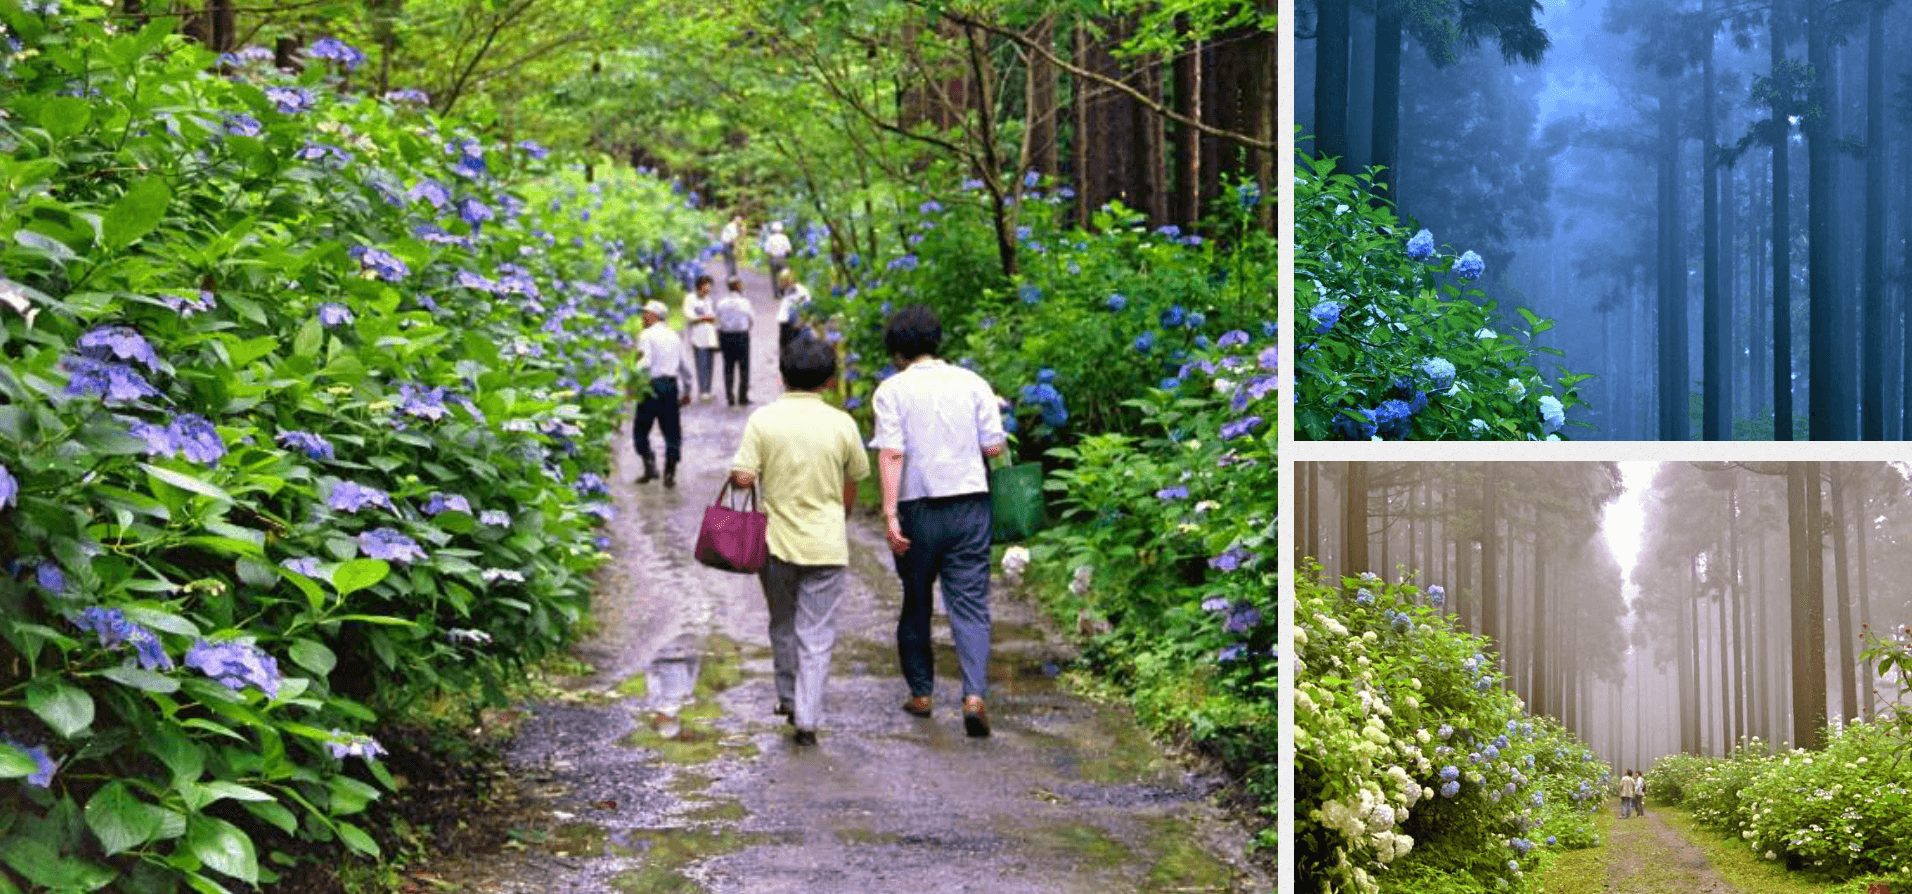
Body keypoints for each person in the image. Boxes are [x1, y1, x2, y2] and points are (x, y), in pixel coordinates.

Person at [871, 305, 1006, 738]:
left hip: (918, 507)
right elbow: (993, 448)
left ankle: (923, 694)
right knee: (969, 602)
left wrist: (890, 513)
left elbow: (892, 453)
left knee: (916, 599)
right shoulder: (973, 383)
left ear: (897, 350)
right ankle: (973, 695)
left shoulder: (891, 391)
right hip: (970, 504)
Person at [729, 336, 871, 746]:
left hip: (774, 543)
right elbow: (853, 480)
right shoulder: (842, 424)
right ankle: (807, 718)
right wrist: (839, 513)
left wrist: (750, 476)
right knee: (818, 633)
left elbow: (742, 476)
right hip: (827, 543)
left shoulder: (763, 420)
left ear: (781, 377)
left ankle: (789, 698)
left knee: (782, 622)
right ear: (829, 381)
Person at [633, 300, 693, 487]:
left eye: (646, 313)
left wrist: (633, 378)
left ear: (654, 316)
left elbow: (645, 362)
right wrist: (687, 390)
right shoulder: (674, 336)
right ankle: (670, 473)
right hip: (670, 386)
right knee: (672, 431)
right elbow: (685, 366)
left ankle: (649, 464)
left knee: (641, 429)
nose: (643, 317)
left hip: (652, 386)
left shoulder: (646, 335)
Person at [715, 276, 755, 406]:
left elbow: (717, 321)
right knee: (744, 367)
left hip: (726, 336)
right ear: (738, 286)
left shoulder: (721, 303)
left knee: (728, 367)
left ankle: (730, 396)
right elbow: (751, 320)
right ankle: (743, 396)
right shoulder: (745, 303)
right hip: (741, 336)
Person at [682, 275, 719, 402]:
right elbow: (689, 316)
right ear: (700, 286)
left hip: (710, 336)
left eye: (710, 285)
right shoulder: (690, 298)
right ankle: (703, 391)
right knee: (701, 364)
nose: (708, 288)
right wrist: (704, 318)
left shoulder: (708, 300)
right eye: (706, 285)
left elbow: (713, 316)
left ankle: (708, 390)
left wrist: (710, 318)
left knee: (710, 364)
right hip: (698, 337)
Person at [776, 270, 812, 348]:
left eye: (782, 281)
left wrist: (798, 325)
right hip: (785, 326)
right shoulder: (787, 290)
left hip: (795, 328)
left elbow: (807, 308)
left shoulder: (801, 291)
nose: (780, 283)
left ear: (789, 281)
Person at [762, 221, 792, 288]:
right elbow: (789, 250)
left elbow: (767, 250)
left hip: (773, 258)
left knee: (774, 276)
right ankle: (783, 289)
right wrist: (786, 255)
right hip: (782, 258)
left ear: (773, 229)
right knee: (784, 275)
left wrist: (771, 257)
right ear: (781, 229)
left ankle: (776, 293)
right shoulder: (784, 238)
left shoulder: (770, 238)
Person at [719, 215, 744, 279]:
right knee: (730, 260)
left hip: (725, 244)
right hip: (728, 244)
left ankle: (733, 275)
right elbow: (733, 239)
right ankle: (731, 276)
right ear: (736, 220)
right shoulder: (732, 227)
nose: (741, 222)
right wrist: (736, 248)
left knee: (730, 260)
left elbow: (723, 235)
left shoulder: (730, 225)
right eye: (740, 221)